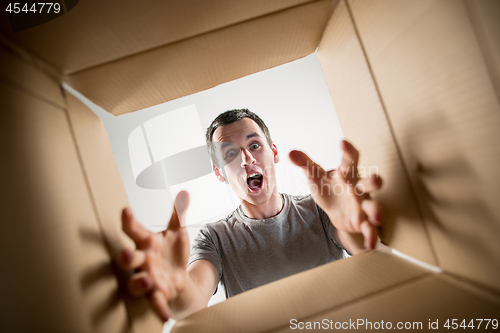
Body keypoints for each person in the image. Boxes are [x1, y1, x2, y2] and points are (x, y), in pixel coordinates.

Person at [116, 109, 383, 322]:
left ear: (273, 152)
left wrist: (356, 228)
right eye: (230, 153)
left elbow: (368, 252)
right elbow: (194, 296)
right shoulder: (214, 238)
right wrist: (177, 287)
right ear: (219, 172)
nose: (246, 159)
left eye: (254, 145)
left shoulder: (320, 209)